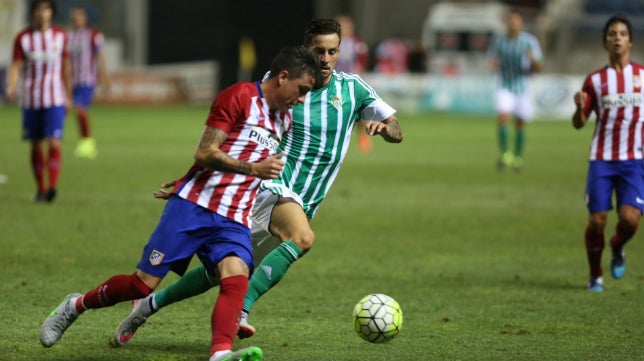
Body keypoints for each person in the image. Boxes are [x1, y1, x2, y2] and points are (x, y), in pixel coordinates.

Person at [111, 17, 403, 346]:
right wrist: (195, 176)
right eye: (318, 50)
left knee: (219, 273)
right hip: (270, 186)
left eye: (332, 51)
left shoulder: (353, 90)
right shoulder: (285, 86)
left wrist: (384, 129)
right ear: (305, 49)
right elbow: (243, 133)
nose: (325, 59)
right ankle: (242, 311)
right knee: (302, 238)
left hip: (306, 200)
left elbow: (396, 128)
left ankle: (147, 307)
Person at [38, 46, 319, 361]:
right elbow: (205, 152)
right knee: (141, 286)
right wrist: (246, 171)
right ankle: (76, 305)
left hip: (234, 216)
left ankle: (220, 352)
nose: (303, 98)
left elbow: (236, 154)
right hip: (193, 208)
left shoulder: (284, 121)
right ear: (283, 77)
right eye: (303, 90)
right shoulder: (238, 97)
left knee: (236, 275)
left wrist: (192, 176)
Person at [572, 15, 644, 292]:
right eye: (612, 33)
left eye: (622, 33)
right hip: (601, 158)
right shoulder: (596, 81)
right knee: (597, 219)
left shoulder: (641, 77)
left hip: (634, 160)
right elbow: (579, 124)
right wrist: (579, 109)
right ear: (605, 41)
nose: (617, 37)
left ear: (630, 40)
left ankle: (617, 246)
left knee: (629, 219)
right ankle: (595, 276)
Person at [5, 0, 72, 202]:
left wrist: (68, 95)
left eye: (46, 9)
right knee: (35, 144)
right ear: (33, 13)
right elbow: (16, 65)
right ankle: (40, 189)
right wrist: (11, 85)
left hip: (55, 98)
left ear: (52, 13)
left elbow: (66, 67)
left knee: (54, 142)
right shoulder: (23, 38)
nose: (42, 13)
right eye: (39, 9)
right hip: (31, 99)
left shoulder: (60, 36)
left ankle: (52, 186)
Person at [487, 8, 543, 171]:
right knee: (503, 117)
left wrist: (533, 60)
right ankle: (506, 154)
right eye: (510, 21)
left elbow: (539, 65)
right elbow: (491, 59)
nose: (513, 24)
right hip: (504, 85)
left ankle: (518, 156)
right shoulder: (498, 41)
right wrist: (493, 64)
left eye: (516, 21)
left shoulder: (529, 42)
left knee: (520, 122)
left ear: (521, 23)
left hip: (522, 86)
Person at [68, 7, 110, 159]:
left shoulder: (93, 34)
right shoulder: (68, 36)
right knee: (65, 111)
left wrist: (104, 77)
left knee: (80, 109)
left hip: (86, 80)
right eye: (73, 17)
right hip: (69, 80)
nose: (75, 20)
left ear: (84, 19)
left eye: (78, 17)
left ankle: (87, 143)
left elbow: (100, 56)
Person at [334, 14, 372, 153]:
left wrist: (359, 79)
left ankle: (362, 135)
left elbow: (362, 62)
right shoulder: (332, 41)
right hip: (335, 81)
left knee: (359, 110)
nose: (345, 28)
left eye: (347, 26)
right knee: (336, 109)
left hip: (352, 81)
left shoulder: (357, 43)